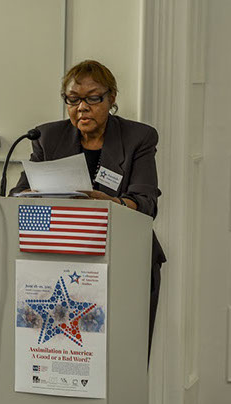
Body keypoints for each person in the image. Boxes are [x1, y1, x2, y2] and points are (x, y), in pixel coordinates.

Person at [10, 60, 166, 358]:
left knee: (122, 357)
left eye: (93, 98)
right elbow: (18, 194)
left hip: (125, 259)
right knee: (62, 355)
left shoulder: (138, 138)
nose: (82, 107)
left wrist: (109, 203)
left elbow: (146, 204)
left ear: (111, 98)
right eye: (73, 99)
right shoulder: (46, 137)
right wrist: (29, 195)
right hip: (60, 263)